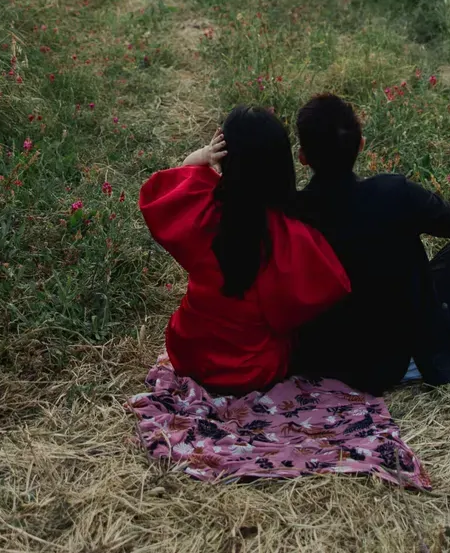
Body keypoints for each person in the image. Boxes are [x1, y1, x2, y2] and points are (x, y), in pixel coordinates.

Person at [138, 105, 350, 393]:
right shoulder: (289, 235)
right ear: (282, 165)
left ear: (226, 160)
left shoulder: (204, 208)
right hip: (250, 371)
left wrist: (202, 156)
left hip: (186, 352)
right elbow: (325, 292)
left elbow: (174, 181)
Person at [292, 93, 450, 395]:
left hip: (321, 359)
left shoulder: (291, 211)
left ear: (302, 156)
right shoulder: (394, 193)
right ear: (361, 144)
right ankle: (427, 348)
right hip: (398, 360)